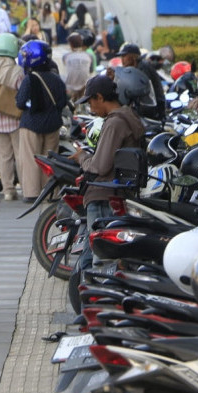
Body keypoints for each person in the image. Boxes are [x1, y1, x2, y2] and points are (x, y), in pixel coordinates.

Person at [70, 75, 145, 269]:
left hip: (103, 195)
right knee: (90, 256)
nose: (91, 108)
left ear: (100, 97)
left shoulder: (114, 123)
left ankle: (99, 297)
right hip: (116, 192)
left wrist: (82, 158)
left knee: (101, 260)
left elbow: (100, 166)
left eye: (90, 102)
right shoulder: (130, 116)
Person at [16, 40, 67, 202]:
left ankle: (32, 193)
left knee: (31, 159)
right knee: (49, 161)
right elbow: (62, 102)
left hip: (31, 124)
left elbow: (20, 102)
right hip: (52, 124)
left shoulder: (29, 79)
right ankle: (51, 193)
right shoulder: (56, 79)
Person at [0, 33, 25, 202]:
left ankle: (8, 190)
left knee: (3, 157)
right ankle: (24, 186)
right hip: (15, 119)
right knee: (20, 155)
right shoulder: (17, 71)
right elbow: (22, 94)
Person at [114, 43, 165, 120]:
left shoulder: (143, 68)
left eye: (124, 56)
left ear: (133, 56)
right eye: (121, 56)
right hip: (145, 109)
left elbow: (142, 91)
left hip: (153, 111)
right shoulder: (134, 68)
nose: (122, 59)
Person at [62, 32, 93, 102]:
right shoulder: (89, 56)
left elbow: (67, 69)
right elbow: (91, 71)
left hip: (69, 88)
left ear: (71, 45)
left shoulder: (66, 56)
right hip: (85, 88)